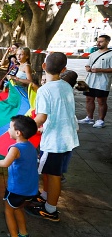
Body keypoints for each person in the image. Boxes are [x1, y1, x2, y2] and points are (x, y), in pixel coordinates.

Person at [24, 52, 79, 222]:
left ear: (43, 66)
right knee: (49, 171)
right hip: (67, 137)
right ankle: (45, 196)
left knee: (54, 175)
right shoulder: (66, 86)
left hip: (56, 140)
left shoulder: (45, 90)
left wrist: (24, 128)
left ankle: (50, 209)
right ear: (63, 69)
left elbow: (41, 117)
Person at [0, 115, 39, 237]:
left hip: (17, 189)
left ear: (18, 133)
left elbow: (5, 163)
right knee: (19, 209)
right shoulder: (31, 146)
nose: (8, 130)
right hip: (30, 189)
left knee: (9, 211)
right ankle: (24, 234)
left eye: (10, 127)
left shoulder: (15, 149)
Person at [78, 35, 112, 128]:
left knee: (101, 101)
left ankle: (101, 120)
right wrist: (87, 68)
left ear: (107, 42)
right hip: (90, 80)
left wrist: (100, 70)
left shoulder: (110, 54)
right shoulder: (93, 54)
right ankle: (89, 118)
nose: (98, 43)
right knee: (89, 99)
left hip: (103, 82)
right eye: (98, 41)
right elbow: (88, 65)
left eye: (101, 41)